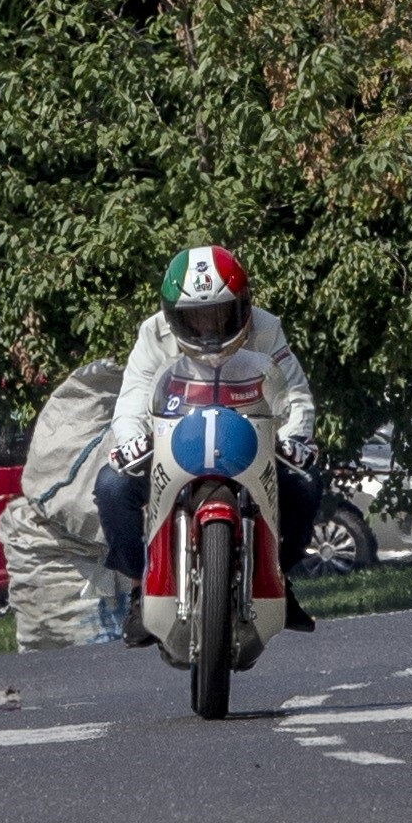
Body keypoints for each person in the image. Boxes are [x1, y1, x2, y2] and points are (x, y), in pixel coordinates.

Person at [94, 244, 324, 644]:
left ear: (243, 305)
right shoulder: (153, 333)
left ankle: (279, 579)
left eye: (219, 312)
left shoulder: (267, 328)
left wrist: (294, 440)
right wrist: (131, 442)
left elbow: (295, 395)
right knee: (112, 486)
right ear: (172, 315)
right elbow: (132, 398)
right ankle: (138, 589)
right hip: (174, 443)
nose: (208, 327)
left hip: (250, 444)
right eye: (194, 316)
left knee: (305, 484)